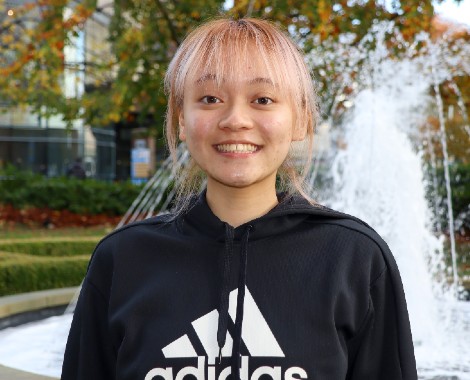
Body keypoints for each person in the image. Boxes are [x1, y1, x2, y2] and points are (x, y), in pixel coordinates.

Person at [61, 18, 417, 380]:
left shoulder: (353, 258)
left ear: (301, 120)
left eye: (263, 99)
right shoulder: (123, 260)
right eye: (210, 98)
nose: (235, 119)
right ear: (182, 119)